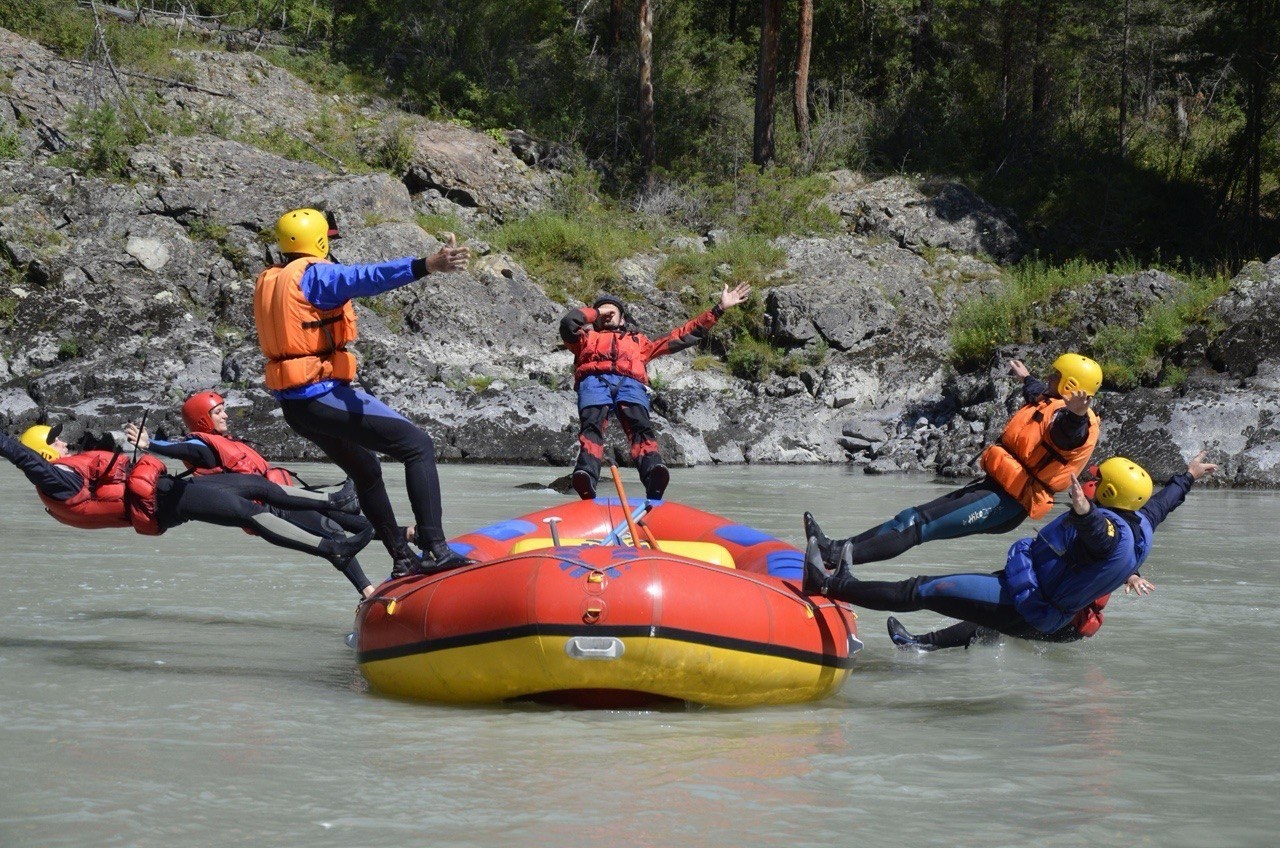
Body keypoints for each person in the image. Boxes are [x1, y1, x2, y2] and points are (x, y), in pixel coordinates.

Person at [802, 453, 1218, 646]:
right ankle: (847, 587)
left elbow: (1097, 534)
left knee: (923, 590)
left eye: (1095, 478)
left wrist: (1083, 507)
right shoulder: (1143, 519)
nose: (1089, 476)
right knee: (928, 590)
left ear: (1106, 493)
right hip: (1024, 591)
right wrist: (1189, 475)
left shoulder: (1107, 532)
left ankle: (833, 586)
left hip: (1024, 606)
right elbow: (1166, 501)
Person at [254, 208, 471, 579]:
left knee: (367, 470)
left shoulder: (271, 279)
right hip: (322, 397)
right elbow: (367, 277)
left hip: (297, 407)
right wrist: (427, 265)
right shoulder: (316, 275)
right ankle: (436, 548)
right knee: (418, 446)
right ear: (317, 241)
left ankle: (403, 559)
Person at [804, 354, 1103, 568]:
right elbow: (1037, 392)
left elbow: (1067, 433)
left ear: (1070, 385)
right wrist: (1025, 376)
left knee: (916, 525)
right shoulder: (1050, 401)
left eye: (1055, 376)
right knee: (910, 517)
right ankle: (836, 549)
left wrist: (1077, 414)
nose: (1049, 377)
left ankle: (836, 559)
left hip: (1005, 503)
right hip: (994, 489)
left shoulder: (1073, 423)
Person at [2, 423, 374, 589]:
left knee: (256, 484)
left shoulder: (66, 475)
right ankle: (332, 550)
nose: (64, 443)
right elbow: (24, 460)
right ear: (45, 452)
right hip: (169, 504)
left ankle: (334, 499)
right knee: (251, 512)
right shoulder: (55, 480)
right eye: (56, 441)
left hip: (172, 488)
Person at [123, 391, 377, 597]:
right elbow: (181, 448)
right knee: (333, 532)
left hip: (285, 495)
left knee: (355, 522)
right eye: (218, 412)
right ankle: (368, 591)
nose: (226, 415)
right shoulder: (202, 447)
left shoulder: (226, 441)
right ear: (203, 419)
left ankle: (410, 541)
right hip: (274, 509)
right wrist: (150, 445)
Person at [559, 283, 751, 500]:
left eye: (612, 311)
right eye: (603, 311)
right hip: (594, 381)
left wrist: (718, 309)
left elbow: (682, 336)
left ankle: (653, 474)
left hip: (629, 384)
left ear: (623, 319)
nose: (607, 314)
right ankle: (586, 474)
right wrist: (595, 313)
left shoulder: (639, 342)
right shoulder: (584, 340)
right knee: (591, 427)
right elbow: (568, 323)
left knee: (640, 428)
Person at [886, 573, 1157, 650]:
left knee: (989, 621)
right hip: (1069, 627)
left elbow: (1117, 561)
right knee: (994, 624)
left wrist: (1132, 576)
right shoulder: (1100, 536)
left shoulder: (1106, 542)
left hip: (1066, 626)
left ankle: (919, 645)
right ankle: (976, 645)